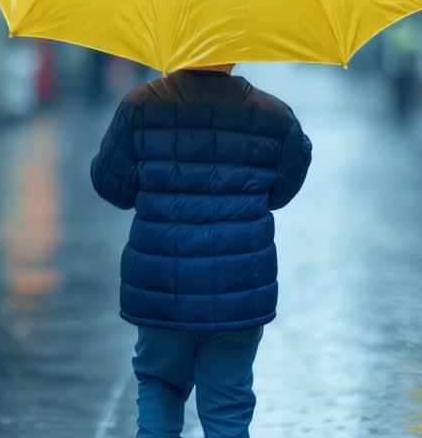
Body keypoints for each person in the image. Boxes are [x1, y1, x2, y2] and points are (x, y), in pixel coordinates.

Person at [90, 65, 312, 438]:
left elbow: (113, 188)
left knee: (159, 388)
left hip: (160, 289)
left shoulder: (140, 105)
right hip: (238, 292)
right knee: (228, 410)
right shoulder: (274, 116)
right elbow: (282, 190)